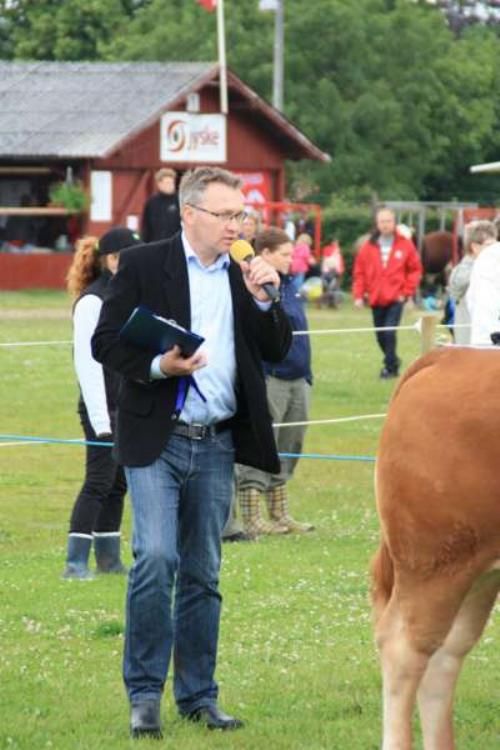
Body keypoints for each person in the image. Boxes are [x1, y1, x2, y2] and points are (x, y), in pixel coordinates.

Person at [91, 166, 292, 738]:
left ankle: (199, 696)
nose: (237, 225)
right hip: (158, 435)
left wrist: (262, 301)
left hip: (216, 441)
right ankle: (145, 695)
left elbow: (275, 347)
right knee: (156, 558)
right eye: (227, 215)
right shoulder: (143, 263)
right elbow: (105, 341)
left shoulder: (245, 271)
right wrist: (160, 366)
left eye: (242, 215)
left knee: (203, 571)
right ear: (190, 214)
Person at [63, 227, 141, 579]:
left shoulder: (127, 296)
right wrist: (101, 420)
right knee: (99, 479)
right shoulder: (93, 302)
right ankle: (75, 561)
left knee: (119, 482)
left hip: (127, 403)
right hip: (102, 407)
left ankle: (109, 558)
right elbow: (88, 364)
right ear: (112, 259)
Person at [236, 227, 314, 538]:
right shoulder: (254, 286)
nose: (290, 259)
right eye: (284, 254)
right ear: (265, 255)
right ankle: (252, 514)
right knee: (262, 441)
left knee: (290, 443)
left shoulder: (292, 286)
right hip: (272, 377)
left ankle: (280, 512)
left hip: (299, 378)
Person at [353, 207, 422, 379]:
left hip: (396, 298)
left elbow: (415, 269)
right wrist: (359, 295)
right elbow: (359, 271)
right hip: (376, 298)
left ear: (394, 222)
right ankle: (393, 361)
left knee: (389, 331)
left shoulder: (405, 244)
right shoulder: (368, 246)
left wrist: (406, 292)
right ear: (377, 224)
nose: (385, 225)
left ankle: (390, 368)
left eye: (388, 221)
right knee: (380, 335)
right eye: (382, 221)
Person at [449, 220, 495, 345]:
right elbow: (455, 289)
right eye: (489, 245)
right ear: (475, 247)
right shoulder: (463, 270)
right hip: (469, 337)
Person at [465, 220, 500, 346]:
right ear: (474, 246)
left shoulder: (489, 257)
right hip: (487, 338)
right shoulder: (488, 259)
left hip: (484, 338)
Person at [141, 167, 181, 242]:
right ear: (159, 184)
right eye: (167, 183)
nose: (170, 185)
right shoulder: (152, 202)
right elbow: (146, 226)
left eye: (172, 182)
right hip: (156, 244)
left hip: (174, 244)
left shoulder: (180, 201)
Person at [320, 238, 344, 308]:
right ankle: (329, 302)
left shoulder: (338, 250)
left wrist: (340, 270)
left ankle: (334, 302)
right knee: (329, 287)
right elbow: (326, 260)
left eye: (337, 242)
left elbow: (339, 262)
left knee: (334, 287)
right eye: (335, 242)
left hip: (336, 271)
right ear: (331, 242)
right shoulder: (328, 249)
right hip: (329, 271)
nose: (336, 243)